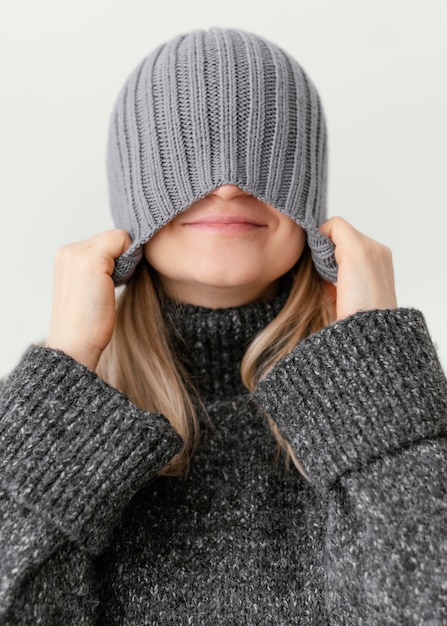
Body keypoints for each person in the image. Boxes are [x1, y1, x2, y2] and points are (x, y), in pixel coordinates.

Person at [0, 27, 446, 625]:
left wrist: (376, 378)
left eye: (265, 151)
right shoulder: (59, 424)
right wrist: (66, 371)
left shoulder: (394, 411)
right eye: (186, 155)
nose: (229, 185)